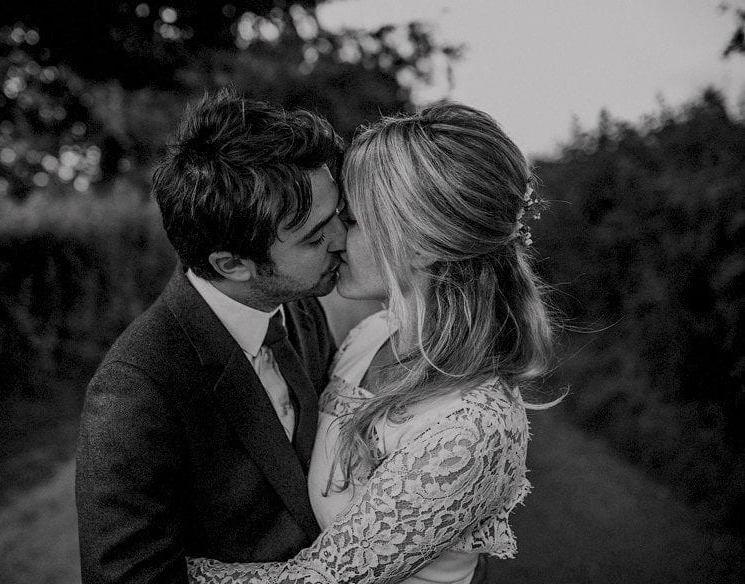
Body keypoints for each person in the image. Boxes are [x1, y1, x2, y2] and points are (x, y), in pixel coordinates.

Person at [186, 101, 556, 583]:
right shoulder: (373, 335)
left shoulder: (474, 425)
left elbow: (322, 579)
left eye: (354, 220)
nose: (335, 237)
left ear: (420, 242)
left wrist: (162, 573)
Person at [75, 90, 348, 583]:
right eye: (314, 236)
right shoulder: (138, 386)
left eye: (337, 216)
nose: (341, 240)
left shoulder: (302, 310)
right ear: (233, 264)